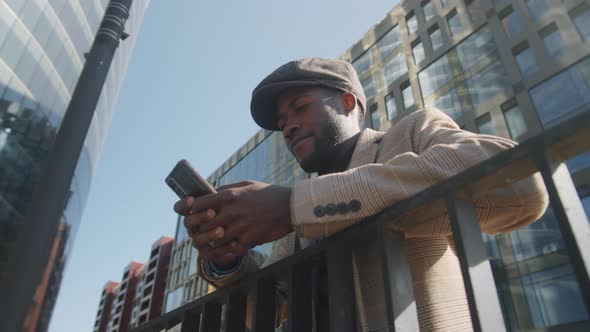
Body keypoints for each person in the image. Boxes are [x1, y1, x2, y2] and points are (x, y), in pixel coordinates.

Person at [174, 58, 548, 331]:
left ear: (348, 102)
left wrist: (295, 205)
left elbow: (518, 185)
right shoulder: (292, 218)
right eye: (281, 123)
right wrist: (229, 261)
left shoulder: (413, 134)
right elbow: (264, 315)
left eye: (298, 108)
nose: (287, 127)